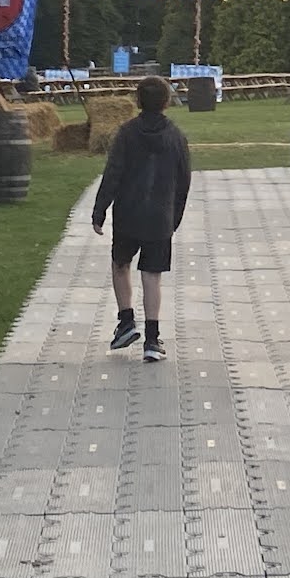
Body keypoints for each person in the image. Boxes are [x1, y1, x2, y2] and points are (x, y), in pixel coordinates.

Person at [92, 75, 192, 363]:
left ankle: (125, 321)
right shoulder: (176, 137)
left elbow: (113, 174)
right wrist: (174, 216)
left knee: (120, 265)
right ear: (167, 101)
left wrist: (100, 209)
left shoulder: (126, 133)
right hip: (160, 216)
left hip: (128, 214)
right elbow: (184, 181)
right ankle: (152, 338)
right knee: (152, 276)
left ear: (137, 100)